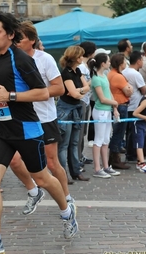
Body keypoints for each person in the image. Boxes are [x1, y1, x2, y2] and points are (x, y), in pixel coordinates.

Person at [0, 11, 78, 254]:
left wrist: (9, 96)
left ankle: (66, 211)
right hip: (1, 130)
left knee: (42, 178)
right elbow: (1, 92)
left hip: (26, 130)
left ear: (10, 34)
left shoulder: (21, 59)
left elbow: (49, 91)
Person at [10, 20, 73, 218]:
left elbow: (59, 89)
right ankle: (33, 191)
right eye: (14, 37)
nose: (16, 41)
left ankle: (67, 198)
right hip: (20, 119)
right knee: (14, 160)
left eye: (20, 37)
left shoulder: (44, 59)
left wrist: (32, 94)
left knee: (52, 163)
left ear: (32, 40)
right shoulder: (9, 59)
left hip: (44, 117)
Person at [57, 45, 90, 182]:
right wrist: (80, 92)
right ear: (76, 57)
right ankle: (63, 173)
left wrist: (79, 91)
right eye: (81, 55)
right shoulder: (66, 73)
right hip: (65, 109)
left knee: (75, 142)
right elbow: (74, 93)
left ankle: (75, 171)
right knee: (64, 144)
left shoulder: (77, 72)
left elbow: (85, 88)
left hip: (76, 108)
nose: (82, 57)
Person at [88, 53, 120, 178]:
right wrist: (115, 103)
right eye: (108, 61)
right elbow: (101, 98)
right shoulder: (96, 78)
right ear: (103, 63)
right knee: (99, 140)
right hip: (100, 110)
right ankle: (97, 168)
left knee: (106, 139)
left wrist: (114, 107)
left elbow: (109, 93)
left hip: (107, 110)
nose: (109, 63)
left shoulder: (104, 76)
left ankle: (106, 166)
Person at [107, 53, 133, 169]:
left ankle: (113, 157)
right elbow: (128, 91)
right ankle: (115, 158)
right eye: (124, 61)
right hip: (121, 105)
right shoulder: (118, 76)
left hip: (117, 105)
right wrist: (130, 88)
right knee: (119, 133)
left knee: (117, 132)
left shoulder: (111, 74)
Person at [122, 51, 146, 163]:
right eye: (142, 60)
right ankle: (132, 154)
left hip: (127, 104)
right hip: (135, 105)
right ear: (138, 61)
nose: (143, 62)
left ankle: (129, 153)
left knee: (128, 131)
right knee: (135, 132)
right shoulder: (136, 74)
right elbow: (144, 89)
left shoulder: (124, 71)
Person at [78, 41, 97, 166]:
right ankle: (77, 157)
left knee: (83, 131)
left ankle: (80, 155)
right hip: (81, 100)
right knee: (79, 132)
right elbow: (84, 84)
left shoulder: (86, 65)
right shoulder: (82, 67)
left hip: (85, 100)